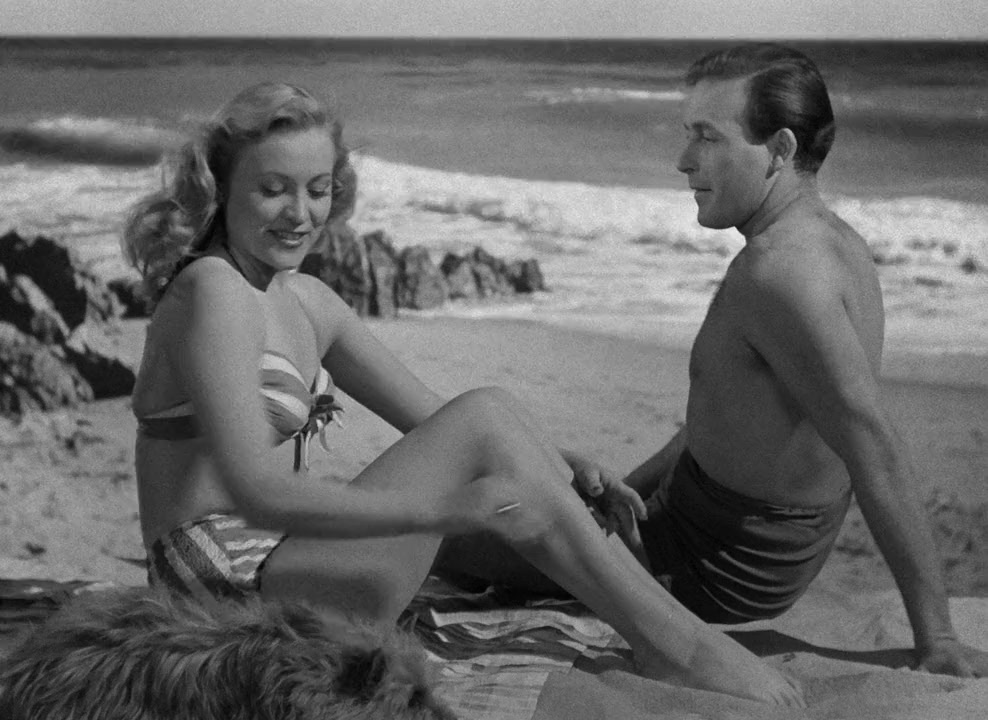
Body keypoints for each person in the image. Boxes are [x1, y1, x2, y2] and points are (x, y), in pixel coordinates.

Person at [121, 81, 805, 706]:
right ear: (223, 187)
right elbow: (256, 490)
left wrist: (565, 468)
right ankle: (676, 645)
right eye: (273, 189)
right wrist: (447, 510)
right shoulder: (211, 289)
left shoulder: (304, 299)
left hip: (283, 559)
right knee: (484, 419)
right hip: (221, 594)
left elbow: (433, 420)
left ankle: (668, 632)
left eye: (318, 189)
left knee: (491, 410)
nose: (300, 214)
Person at [564, 43, 987, 678]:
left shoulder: (779, 273)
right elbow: (722, 419)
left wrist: (939, 638)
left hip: (703, 571)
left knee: (483, 493)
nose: (683, 160)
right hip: (691, 532)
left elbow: (872, 442)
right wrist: (629, 495)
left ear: (781, 149)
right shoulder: (835, 242)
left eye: (708, 137)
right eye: (687, 133)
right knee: (513, 474)